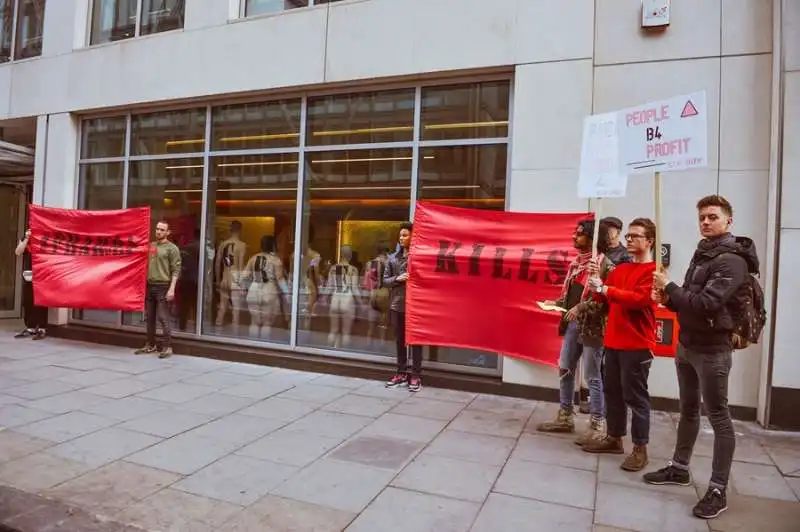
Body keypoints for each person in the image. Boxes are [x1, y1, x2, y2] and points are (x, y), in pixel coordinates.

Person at [645, 195, 756, 520]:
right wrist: (667, 298)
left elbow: (707, 303)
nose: (706, 222)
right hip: (687, 345)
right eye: (702, 218)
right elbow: (689, 301)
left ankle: (718, 489)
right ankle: (679, 468)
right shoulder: (703, 252)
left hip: (712, 351)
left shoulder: (731, 260)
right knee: (688, 410)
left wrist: (670, 286)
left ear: (728, 221)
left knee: (719, 417)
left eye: (712, 217)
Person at [581, 218, 658, 473]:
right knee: (612, 391)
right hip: (613, 340)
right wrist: (594, 277)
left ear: (650, 241)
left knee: (635, 397)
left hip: (637, 343)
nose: (630, 240)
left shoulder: (654, 272)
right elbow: (601, 297)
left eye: (636, 236)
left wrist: (605, 287)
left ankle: (640, 448)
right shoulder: (620, 270)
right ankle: (614, 437)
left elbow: (639, 300)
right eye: (629, 236)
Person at [537, 219, 614, 442]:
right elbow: (569, 296)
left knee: (592, 375)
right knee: (565, 369)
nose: (574, 236)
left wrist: (581, 307)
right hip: (572, 325)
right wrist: (555, 302)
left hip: (592, 329)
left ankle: (598, 422)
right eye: (574, 232)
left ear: (592, 238)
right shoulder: (576, 265)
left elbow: (606, 302)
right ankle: (565, 416)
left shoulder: (605, 266)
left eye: (579, 234)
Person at [384, 222, 423, 392]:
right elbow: (384, 281)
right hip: (397, 305)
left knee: (415, 341)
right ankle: (401, 372)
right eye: (400, 235)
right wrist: (398, 278)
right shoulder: (392, 258)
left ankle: (415, 375)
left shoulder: (420, 257)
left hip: (416, 306)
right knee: (400, 340)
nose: (401, 238)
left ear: (413, 236)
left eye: (405, 235)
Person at [135, 220, 181, 359]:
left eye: (162, 230)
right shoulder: (151, 246)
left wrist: (172, 289)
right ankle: (151, 345)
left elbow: (176, 269)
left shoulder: (172, 248)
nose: (159, 231)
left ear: (168, 232)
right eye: (157, 229)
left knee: (163, 317)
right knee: (149, 317)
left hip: (163, 286)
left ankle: (167, 347)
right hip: (150, 285)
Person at [14, 229, 47, 340]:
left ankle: (41, 328)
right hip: (28, 274)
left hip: (42, 274)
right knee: (28, 300)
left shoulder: (44, 238)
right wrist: (27, 238)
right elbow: (18, 252)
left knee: (41, 301)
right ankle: (30, 327)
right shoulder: (26, 239)